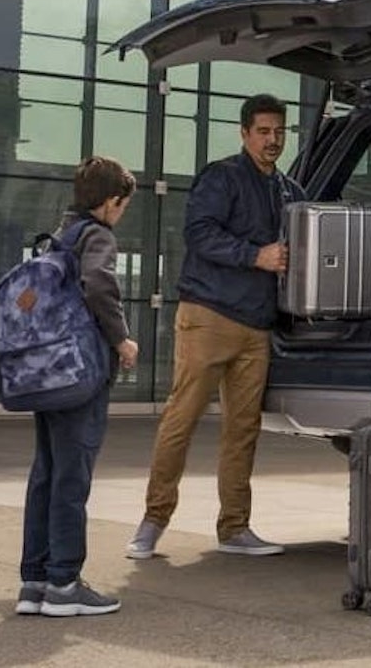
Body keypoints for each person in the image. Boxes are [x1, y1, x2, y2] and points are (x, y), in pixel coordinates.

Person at [128, 94, 301, 560]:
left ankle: (234, 529)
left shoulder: (290, 190)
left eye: (279, 131)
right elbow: (199, 234)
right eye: (263, 131)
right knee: (181, 419)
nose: (272, 139)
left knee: (243, 430)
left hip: (257, 327)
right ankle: (152, 522)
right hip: (209, 316)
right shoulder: (221, 176)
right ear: (244, 133)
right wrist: (256, 255)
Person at [15, 156, 140, 617]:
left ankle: (35, 582)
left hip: (48, 370)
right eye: (123, 205)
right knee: (73, 475)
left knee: (45, 473)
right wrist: (121, 338)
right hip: (80, 372)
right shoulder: (98, 236)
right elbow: (99, 283)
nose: (122, 212)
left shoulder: (59, 235)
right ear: (111, 202)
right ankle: (65, 583)